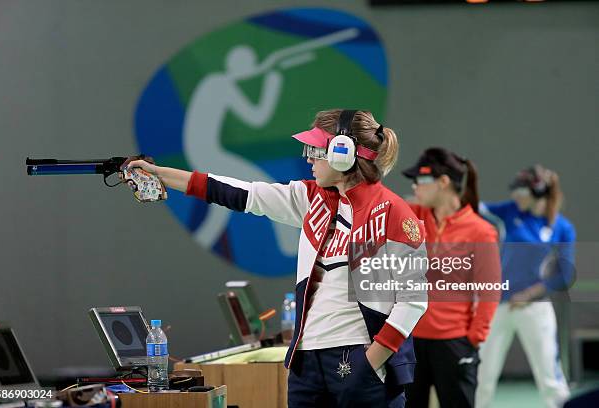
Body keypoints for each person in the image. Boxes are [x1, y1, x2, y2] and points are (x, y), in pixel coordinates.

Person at [124, 109, 428, 407]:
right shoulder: (312, 198)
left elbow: (412, 301)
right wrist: (159, 173)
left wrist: (371, 361)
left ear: (342, 153)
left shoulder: (391, 212)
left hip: (359, 358)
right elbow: (236, 192)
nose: (307, 158)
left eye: (314, 148)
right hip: (307, 360)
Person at [401, 148, 501, 408]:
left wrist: (473, 339)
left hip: (455, 344)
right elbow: (379, 203)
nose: (414, 187)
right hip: (410, 340)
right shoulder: (412, 217)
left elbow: (490, 290)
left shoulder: (481, 231)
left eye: (420, 181)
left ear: (443, 182)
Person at [475, 165, 574, 408]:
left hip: (535, 308)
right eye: (515, 191)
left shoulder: (562, 227)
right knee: (482, 376)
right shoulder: (508, 212)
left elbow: (564, 274)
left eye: (523, 191)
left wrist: (530, 294)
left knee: (550, 379)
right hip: (497, 305)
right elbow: (471, 207)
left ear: (538, 192)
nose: (516, 196)